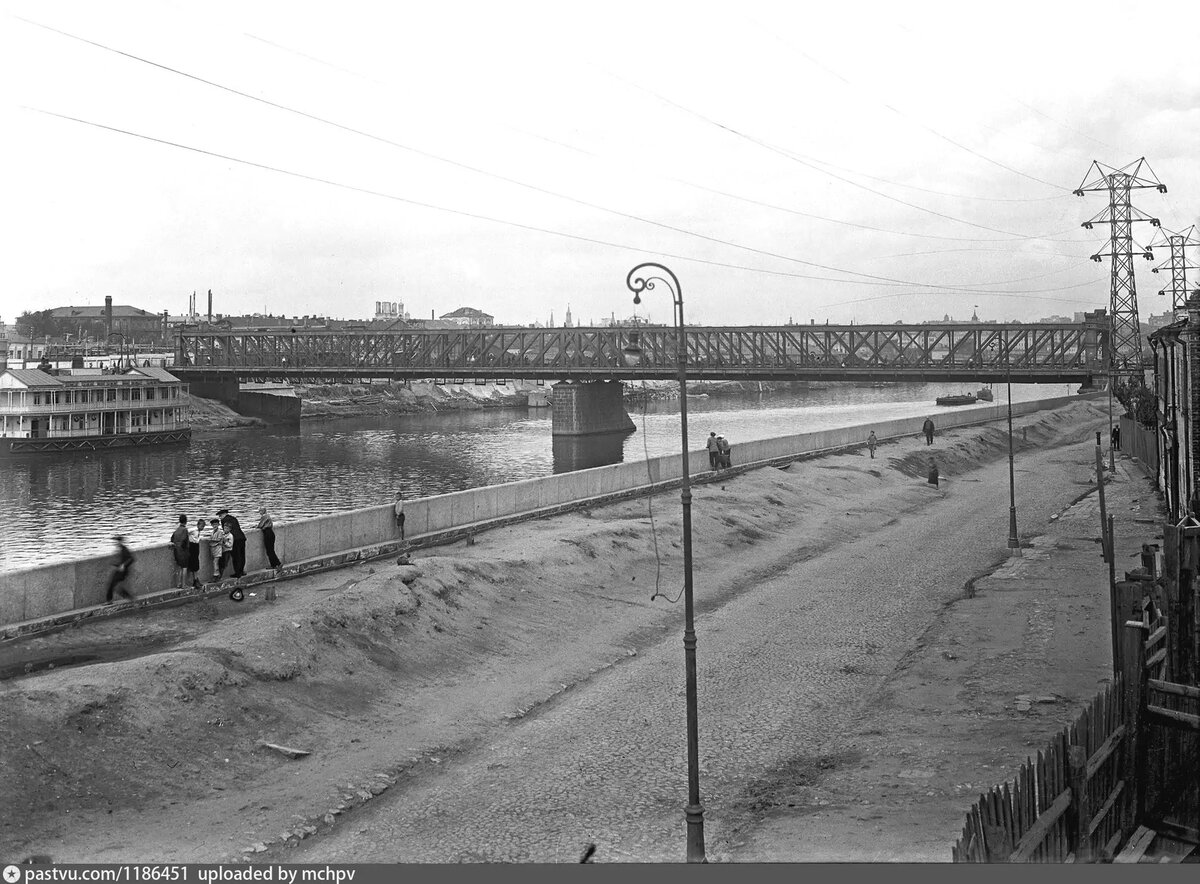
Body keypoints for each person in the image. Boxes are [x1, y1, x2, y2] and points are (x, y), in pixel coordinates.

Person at [105, 535, 136, 603]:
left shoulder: (124, 549)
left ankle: (129, 597)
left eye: (116, 541)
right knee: (113, 585)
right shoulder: (119, 549)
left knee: (114, 585)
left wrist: (123, 565)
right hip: (118, 570)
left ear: (120, 542)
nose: (115, 543)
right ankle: (129, 598)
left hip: (122, 571)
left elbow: (131, 559)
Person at [219, 509, 247, 579]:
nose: (220, 517)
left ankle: (237, 573)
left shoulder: (224, 520)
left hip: (235, 539)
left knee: (236, 556)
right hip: (241, 537)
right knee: (242, 555)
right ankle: (241, 571)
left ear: (224, 514)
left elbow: (226, 531)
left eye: (220, 516)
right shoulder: (234, 518)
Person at [258, 506, 282, 570]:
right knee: (271, 550)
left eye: (260, 511)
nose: (259, 512)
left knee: (269, 551)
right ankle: (274, 564)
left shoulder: (264, 516)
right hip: (271, 533)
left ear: (263, 511)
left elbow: (260, 525)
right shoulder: (268, 516)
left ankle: (278, 563)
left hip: (267, 534)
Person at [170, 514, 189, 589]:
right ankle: (184, 585)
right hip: (183, 551)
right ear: (186, 521)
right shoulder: (185, 530)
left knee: (180, 567)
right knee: (184, 568)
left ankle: (179, 583)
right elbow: (185, 541)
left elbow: (172, 539)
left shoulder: (176, 530)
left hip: (176, 551)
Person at [206, 518, 226, 583]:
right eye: (213, 524)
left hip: (218, 548)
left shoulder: (219, 532)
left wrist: (211, 540)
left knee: (215, 562)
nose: (214, 526)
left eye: (216, 524)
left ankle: (216, 575)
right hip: (213, 548)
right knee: (215, 562)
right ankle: (216, 575)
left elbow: (219, 539)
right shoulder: (212, 532)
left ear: (218, 524)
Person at [187, 518, 203, 590]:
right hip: (192, 546)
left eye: (203, 527)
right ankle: (195, 580)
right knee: (194, 564)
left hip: (196, 546)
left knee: (196, 563)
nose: (202, 528)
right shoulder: (193, 530)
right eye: (201, 526)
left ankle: (196, 579)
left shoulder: (198, 532)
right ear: (198, 525)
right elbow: (186, 533)